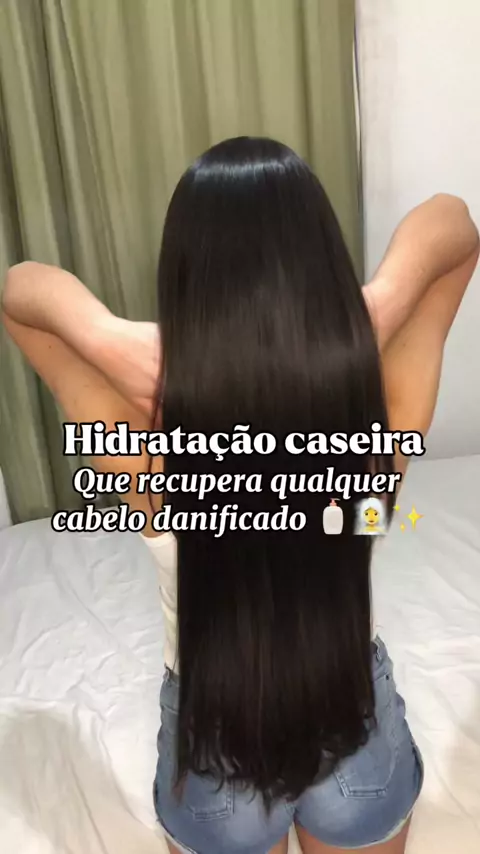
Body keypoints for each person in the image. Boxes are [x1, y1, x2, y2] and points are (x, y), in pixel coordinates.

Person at [2, 137, 479, 854]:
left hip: (213, 756)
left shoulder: (142, 434)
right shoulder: (375, 417)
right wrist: (373, 310)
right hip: (353, 735)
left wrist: (109, 338)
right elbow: (454, 225)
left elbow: (20, 293)